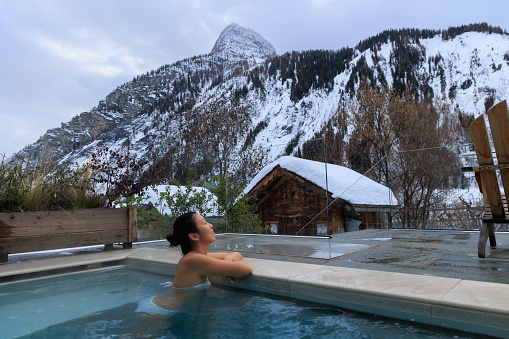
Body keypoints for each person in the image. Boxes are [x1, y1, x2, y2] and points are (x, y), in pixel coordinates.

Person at [134, 211, 253, 317]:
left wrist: (228, 260)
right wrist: (229, 265)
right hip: (157, 311)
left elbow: (237, 254)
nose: (211, 225)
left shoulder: (197, 258)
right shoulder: (194, 260)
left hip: (164, 308)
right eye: (205, 223)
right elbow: (246, 269)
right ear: (194, 236)